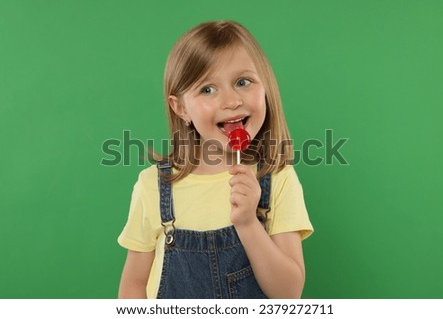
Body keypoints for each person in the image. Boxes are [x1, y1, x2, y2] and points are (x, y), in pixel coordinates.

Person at [117, 20, 313, 299]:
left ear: (265, 87)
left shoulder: (277, 177)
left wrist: (248, 222)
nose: (231, 101)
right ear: (181, 108)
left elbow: (288, 293)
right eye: (207, 89)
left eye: (243, 82)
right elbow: (133, 284)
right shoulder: (154, 185)